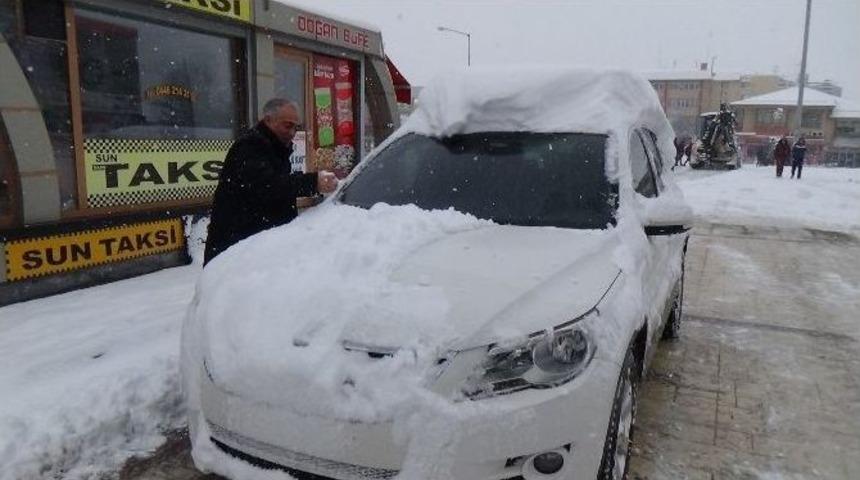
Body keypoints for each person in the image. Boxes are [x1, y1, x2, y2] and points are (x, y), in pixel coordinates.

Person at [204, 98, 338, 265]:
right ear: (267, 120)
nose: (292, 132)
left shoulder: (275, 148)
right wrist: (312, 182)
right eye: (287, 125)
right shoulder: (250, 147)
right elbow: (269, 186)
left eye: (296, 127)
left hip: (255, 248)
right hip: (235, 252)